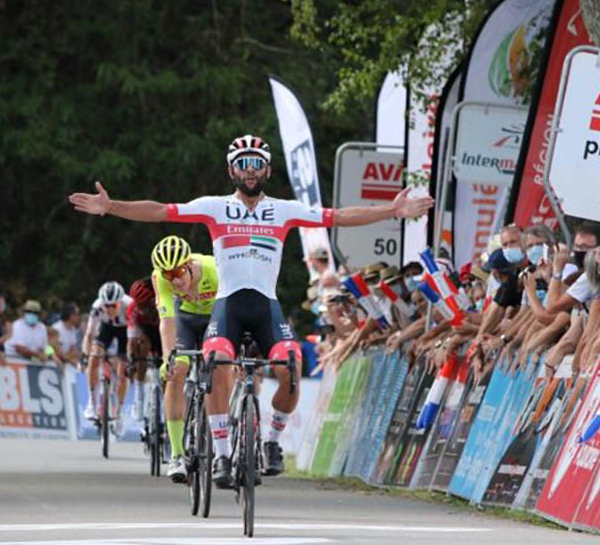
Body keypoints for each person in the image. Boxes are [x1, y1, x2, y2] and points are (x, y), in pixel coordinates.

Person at [69, 133, 433, 486]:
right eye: (242, 164)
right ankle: (223, 455)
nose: (250, 170)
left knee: (291, 364)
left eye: (257, 164)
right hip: (227, 307)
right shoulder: (215, 207)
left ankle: (272, 442)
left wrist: (392, 210)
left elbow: (338, 216)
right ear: (232, 171)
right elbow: (161, 211)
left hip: (265, 307)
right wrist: (111, 206)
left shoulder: (284, 211)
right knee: (214, 362)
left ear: (268, 171)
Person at [149, 236, 218, 483]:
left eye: (179, 271)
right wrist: (169, 359)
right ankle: (177, 454)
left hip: (215, 318)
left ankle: (222, 440)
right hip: (185, 320)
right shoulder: (161, 279)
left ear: (189, 264)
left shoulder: (214, 268)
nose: (176, 280)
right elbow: (166, 321)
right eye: (169, 275)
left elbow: (233, 312)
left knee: (221, 364)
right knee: (176, 371)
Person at [81, 282, 133, 437]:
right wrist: (85, 354)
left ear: (120, 302)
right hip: (106, 328)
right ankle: (92, 401)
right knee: (93, 358)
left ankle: (118, 414)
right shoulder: (97, 307)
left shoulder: (130, 306)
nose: (110, 309)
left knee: (123, 372)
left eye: (113, 305)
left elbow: (134, 336)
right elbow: (89, 334)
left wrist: (129, 358)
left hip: (126, 332)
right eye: (107, 305)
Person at [125, 277, 160, 424]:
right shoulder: (133, 309)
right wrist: (132, 361)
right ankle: (138, 395)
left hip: (162, 329)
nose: (140, 309)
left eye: (144, 306)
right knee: (140, 346)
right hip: (145, 332)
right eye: (138, 305)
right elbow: (131, 340)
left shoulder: (163, 302)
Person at [52, 302, 81, 367]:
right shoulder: (57, 328)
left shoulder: (73, 329)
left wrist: (73, 358)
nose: (78, 317)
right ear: (70, 315)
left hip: (68, 362)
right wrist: (71, 360)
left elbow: (73, 349)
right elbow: (58, 352)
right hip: (57, 364)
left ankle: (82, 377)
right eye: (76, 314)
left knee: (81, 371)